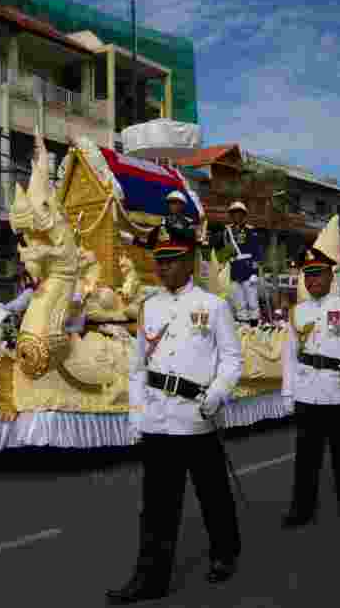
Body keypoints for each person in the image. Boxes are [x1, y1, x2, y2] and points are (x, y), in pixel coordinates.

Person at [106, 221, 242, 605]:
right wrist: (137, 415)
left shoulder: (213, 306)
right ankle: (150, 578)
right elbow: (138, 368)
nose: (162, 267)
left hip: (198, 418)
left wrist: (217, 393)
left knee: (212, 494)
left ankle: (225, 553)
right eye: (159, 260)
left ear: (190, 260)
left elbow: (232, 359)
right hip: (159, 419)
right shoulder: (149, 307)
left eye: (171, 260)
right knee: (156, 508)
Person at [281, 247, 340, 528]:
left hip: (338, 391)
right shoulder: (297, 312)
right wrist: (288, 392)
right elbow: (289, 355)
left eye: (317, 275)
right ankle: (302, 509)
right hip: (307, 391)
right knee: (306, 459)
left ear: (329, 275)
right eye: (307, 276)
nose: (312, 281)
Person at [211, 202, 263, 326]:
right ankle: (244, 327)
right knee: (239, 303)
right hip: (234, 269)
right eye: (234, 213)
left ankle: (255, 328)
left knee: (252, 302)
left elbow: (257, 251)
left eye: (239, 213)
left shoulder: (250, 231)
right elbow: (221, 252)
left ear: (243, 215)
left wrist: (255, 272)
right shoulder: (226, 232)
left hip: (248, 268)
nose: (236, 216)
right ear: (231, 215)